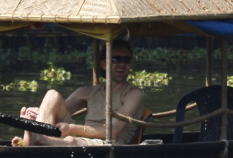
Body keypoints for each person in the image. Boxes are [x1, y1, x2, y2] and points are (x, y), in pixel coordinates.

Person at [15, 41, 147, 145]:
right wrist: (35, 116)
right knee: (52, 95)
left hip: (109, 145)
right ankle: (33, 138)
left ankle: (36, 139)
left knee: (71, 141)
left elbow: (112, 132)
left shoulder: (134, 94)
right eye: (115, 60)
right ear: (104, 64)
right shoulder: (87, 92)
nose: (121, 64)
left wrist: (72, 129)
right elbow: (53, 114)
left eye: (126, 60)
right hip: (83, 140)